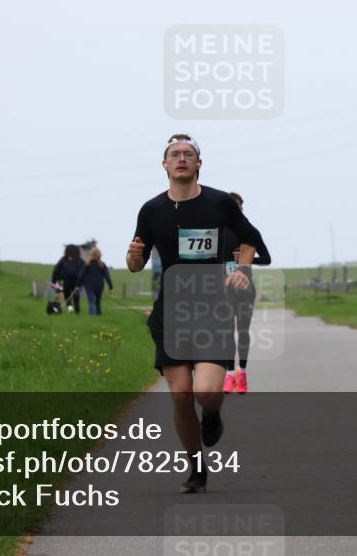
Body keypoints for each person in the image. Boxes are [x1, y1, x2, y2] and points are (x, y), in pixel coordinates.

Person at [127, 133, 268, 494]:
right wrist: (133, 256)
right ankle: (196, 468)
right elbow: (136, 262)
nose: (181, 158)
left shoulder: (219, 202)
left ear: (199, 163)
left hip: (212, 308)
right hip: (171, 311)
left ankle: (213, 413)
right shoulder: (151, 210)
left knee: (206, 391)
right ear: (164, 164)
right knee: (180, 395)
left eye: (188, 154)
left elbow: (251, 238)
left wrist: (243, 269)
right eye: (174, 154)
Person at [222, 192, 271, 395]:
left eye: (239, 208)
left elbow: (267, 258)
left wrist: (248, 260)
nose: (236, 211)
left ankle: (241, 372)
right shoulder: (218, 233)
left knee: (242, 330)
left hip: (245, 289)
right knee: (226, 332)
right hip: (223, 289)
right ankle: (229, 374)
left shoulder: (250, 232)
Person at [77, 247, 113, 316]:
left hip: (89, 286)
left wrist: (78, 286)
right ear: (100, 254)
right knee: (98, 302)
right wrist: (110, 287)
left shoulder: (87, 264)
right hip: (99, 286)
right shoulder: (102, 265)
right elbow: (107, 276)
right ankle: (98, 316)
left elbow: (81, 276)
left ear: (91, 254)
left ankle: (93, 317)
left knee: (91, 302)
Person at [52, 244, 83, 314]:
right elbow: (85, 271)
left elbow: (56, 270)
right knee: (76, 297)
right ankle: (76, 310)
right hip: (77, 282)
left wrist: (54, 280)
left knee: (67, 296)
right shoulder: (80, 261)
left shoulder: (63, 259)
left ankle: (70, 308)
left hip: (67, 281)